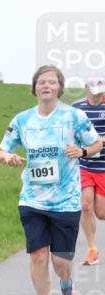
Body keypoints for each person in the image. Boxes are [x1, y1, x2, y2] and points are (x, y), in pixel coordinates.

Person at [0, 65, 103, 295]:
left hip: (65, 201)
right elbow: (1, 150)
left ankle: (67, 286)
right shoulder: (22, 120)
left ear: (59, 87)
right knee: (38, 256)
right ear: (34, 88)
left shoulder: (74, 116)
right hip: (32, 199)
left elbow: (97, 143)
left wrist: (82, 151)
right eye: (41, 82)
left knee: (61, 262)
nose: (46, 86)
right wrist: (7, 157)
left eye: (52, 82)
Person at [72, 76, 105, 266]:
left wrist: (97, 142)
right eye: (93, 89)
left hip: (103, 165)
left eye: (100, 90)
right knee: (85, 206)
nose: (97, 93)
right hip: (84, 164)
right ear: (86, 88)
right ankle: (92, 250)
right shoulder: (77, 108)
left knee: (101, 213)